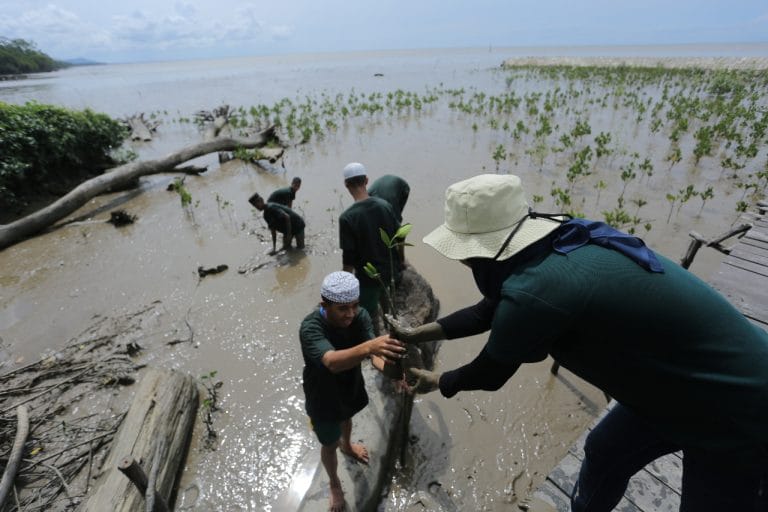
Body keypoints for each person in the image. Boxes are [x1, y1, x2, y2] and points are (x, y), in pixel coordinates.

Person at [390, 173, 768, 512]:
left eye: (465, 256)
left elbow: (489, 373)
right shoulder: (556, 243)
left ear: (481, 251)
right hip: (672, 390)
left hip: (737, 407)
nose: (464, 264)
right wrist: (418, 333)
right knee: (605, 452)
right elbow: (485, 312)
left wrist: (438, 380)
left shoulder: (537, 290)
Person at [300, 271, 406, 512]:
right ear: (324, 304)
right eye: (343, 309)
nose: (350, 314)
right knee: (328, 442)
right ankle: (335, 483)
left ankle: (347, 445)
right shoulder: (311, 327)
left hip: (349, 383)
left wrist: (394, 374)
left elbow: (375, 357)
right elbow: (332, 362)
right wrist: (370, 346)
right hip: (322, 393)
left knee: (347, 417)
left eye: (355, 306)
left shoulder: (360, 316)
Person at [339, 162, 402, 321]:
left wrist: (345, 288)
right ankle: (392, 333)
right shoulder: (385, 206)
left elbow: (349, 259)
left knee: (369, 316)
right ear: (366, 180)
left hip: (368, 278)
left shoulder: (347, 217)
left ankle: (376, 341)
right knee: (389, 308)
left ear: (346, 184)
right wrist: (400, 262)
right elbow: (399, 237)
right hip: (390, 272)